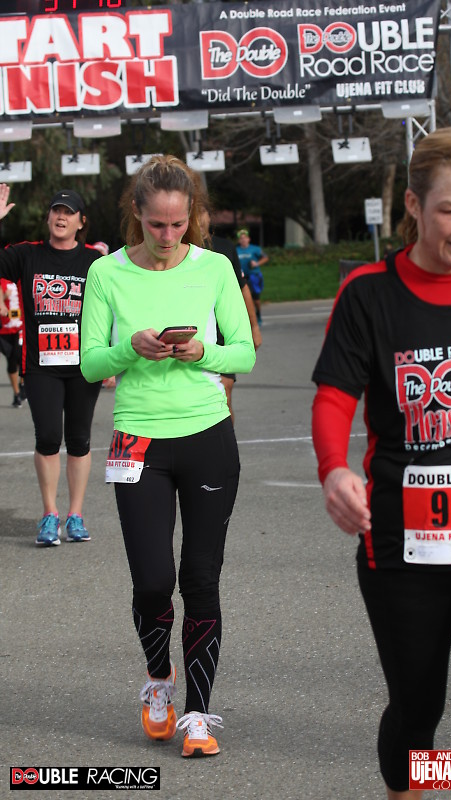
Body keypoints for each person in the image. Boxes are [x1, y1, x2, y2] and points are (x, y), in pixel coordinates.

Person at [311, 127, 451, 799]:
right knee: (416, 710)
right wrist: (333, 468)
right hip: (403, 544)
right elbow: (334, 396)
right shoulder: (368, 293)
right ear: (413, 204)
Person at [80, 155, 256, 757]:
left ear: (193, 217)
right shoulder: (106, 272)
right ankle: (159, 679)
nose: (167, 235)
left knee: (201, 579)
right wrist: (130, 348)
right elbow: (90, 364)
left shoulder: (215, 267)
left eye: (178, 224)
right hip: (138, 438)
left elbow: (244, 353)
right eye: (157, 224)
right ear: (137, 213)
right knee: (154, 581)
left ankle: (199, 716)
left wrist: (202, 352)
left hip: (208, 434)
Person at [0, 185, 102, 546]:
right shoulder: (27, 255)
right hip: (40, 365)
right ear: (48, 217)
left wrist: (110, 359)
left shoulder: (94, 262)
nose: (61, 216)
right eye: (56, 210)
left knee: (79, 439)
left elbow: (111, 310)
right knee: (47, 437)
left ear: (81, 221)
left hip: (83, 365)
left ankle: (75, 514)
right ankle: (49, 514)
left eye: (69, 212)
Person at [199, 208, 262, 422]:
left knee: (224, 393)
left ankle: (226, 438)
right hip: (193, 330)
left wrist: (254, 327)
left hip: (221, 331)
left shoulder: (224, 248)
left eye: (202, 212)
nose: (198, 219)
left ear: (209, 216)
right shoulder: (177, 249)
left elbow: (242, 288)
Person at [236, 227, 268, 325]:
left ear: (248, 239)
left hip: (254, 276)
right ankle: (247, 318)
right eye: (241, 238)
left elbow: (265, 258)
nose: (243, 240)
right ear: (239, 240)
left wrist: (257, 263)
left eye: (245, 238)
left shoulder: (255, 249)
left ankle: (258, 314)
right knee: (244, 299)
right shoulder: (236, 250)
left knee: (256, 299)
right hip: (242, 277)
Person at [0, 277, 24, 407]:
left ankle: (22, 385)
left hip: (20, 327)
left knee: (19, 357)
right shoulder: (2, 281)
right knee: (12, 361)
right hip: (4, 329)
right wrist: (4, 297)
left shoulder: (20, 278)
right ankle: (17, 393)